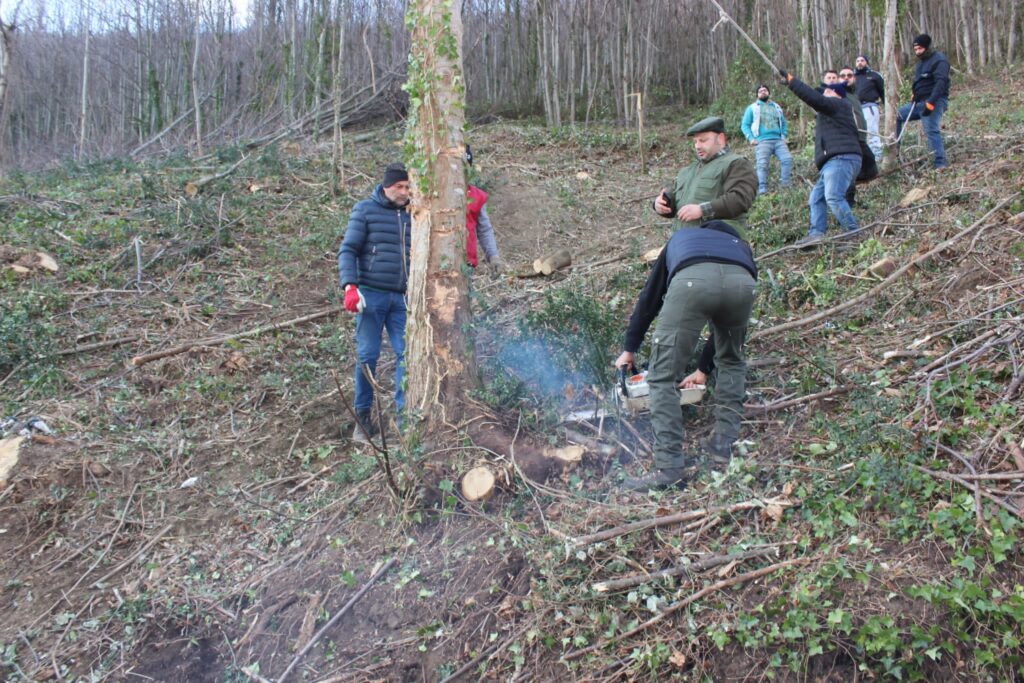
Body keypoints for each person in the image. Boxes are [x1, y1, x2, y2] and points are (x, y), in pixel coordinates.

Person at [614, 220, 758, 491]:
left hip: (693, 282)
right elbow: (723, 332)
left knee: (662, 376)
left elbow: (650, 299)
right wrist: (704, 368)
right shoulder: (741, 247)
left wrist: (629, 348)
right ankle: (723, 447)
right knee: (732, 361)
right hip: (743, 284)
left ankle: (669, 467)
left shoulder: (683, 238)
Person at [338, 162, 412, 442]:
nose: (405, 192)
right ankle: (363, 418)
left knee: (407, 354)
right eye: (399, 187)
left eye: (408, 187)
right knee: (368, 355)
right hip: (370, 296)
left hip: (402, 298)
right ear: (385, 187)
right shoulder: (365, 210)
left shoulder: (413, 213)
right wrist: (350, 287)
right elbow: (348, 250)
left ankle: (405, 419)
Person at [780, 69, 862, 246]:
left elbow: (814, 98)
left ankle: (854, 234)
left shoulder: (838, 105)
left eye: (828, 91)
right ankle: (817, 233)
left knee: (833, 196)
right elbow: (815, 97)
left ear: (837, 95)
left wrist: (792, 82)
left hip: (841, 159)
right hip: (834, 162)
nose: (825, 92)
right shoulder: (831, 110)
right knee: (816, 198)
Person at [654, 116, 757, 237]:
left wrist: (702, 210)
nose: (697, 146)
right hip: (683, 243)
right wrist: (659, 204)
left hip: (717, 242)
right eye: (695, 142)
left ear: (720, 139)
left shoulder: (736, 163)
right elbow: (673, 200)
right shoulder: (687, 171)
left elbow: (740, 200)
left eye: (703, 140)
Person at [896, 34, 950, 170]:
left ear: (927, 47)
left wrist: (931, 102)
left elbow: (941, 83)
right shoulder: (921, 63)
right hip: (918, 103)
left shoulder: (939, 60)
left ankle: (940, 164)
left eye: (920, 48)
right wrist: (915, 93)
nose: (917, 52)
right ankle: (894, 153)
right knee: (897, 116)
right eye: (915, 49)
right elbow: (920, 81)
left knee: (931, 130)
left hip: (935, 101)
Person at [741, 84, 793, 195]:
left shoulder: (776, 107)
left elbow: (783, 123)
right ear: (757, 95)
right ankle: (763, 189)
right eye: (760, 91)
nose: (763, 92)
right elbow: (745, 125)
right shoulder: (753, 108)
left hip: (778, 140)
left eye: (765, 90)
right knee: (762, 164)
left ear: (768, 93)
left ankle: (786, 185)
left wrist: (783, 136)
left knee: (787, 159)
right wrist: (751, 138)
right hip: (762, 140)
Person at [839, 67, 879, 206]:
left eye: (849, 75)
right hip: (850, 139)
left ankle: (846, 192)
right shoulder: (839, 94)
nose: (846, 77)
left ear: (854, 78)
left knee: (871, 168)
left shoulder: (854, 95)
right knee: (851, 168)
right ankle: (847, 204)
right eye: (843, 75)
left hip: (861, 138)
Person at [464, 146, 503, 272]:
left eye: (465, 167)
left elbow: (484, 229)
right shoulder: (437, 196)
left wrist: (493, 256)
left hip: (467, 262)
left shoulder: (477, 196)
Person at [852, 55, 885, 161]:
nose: (860, 62)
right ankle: (864, 160)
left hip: (870, 107)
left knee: (872, 132)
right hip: (855, 109)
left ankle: (877, 158)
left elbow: (883, 92)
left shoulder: (875, 75)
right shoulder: (851, 77)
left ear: (867, 62)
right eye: (857, 61)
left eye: (862, 60)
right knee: (858, 134)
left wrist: (888, 107)